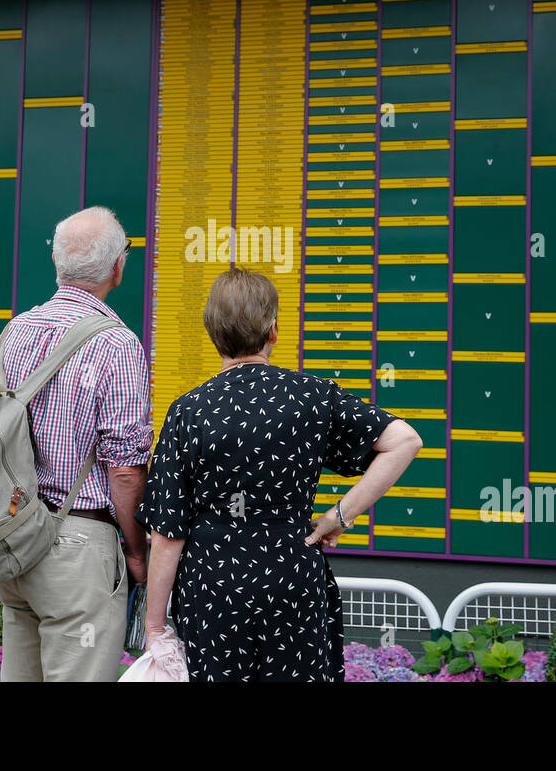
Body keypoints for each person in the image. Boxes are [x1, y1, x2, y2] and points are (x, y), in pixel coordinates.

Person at [135, 266, 421, 681]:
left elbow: (168, 534)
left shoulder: (187, 411)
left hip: (213, 588)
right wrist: (338, 516)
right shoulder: (313, 396)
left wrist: (155, 626)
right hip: (293, 577)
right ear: (273, 331)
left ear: (213, 333)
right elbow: (404, 441)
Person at [0, 206, 153, 682]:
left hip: (14, 536)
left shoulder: (15, 330)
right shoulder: (117, 345)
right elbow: (124, 469)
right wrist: (137, 552)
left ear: (58, 263)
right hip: (78, 547)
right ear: (118, 266)